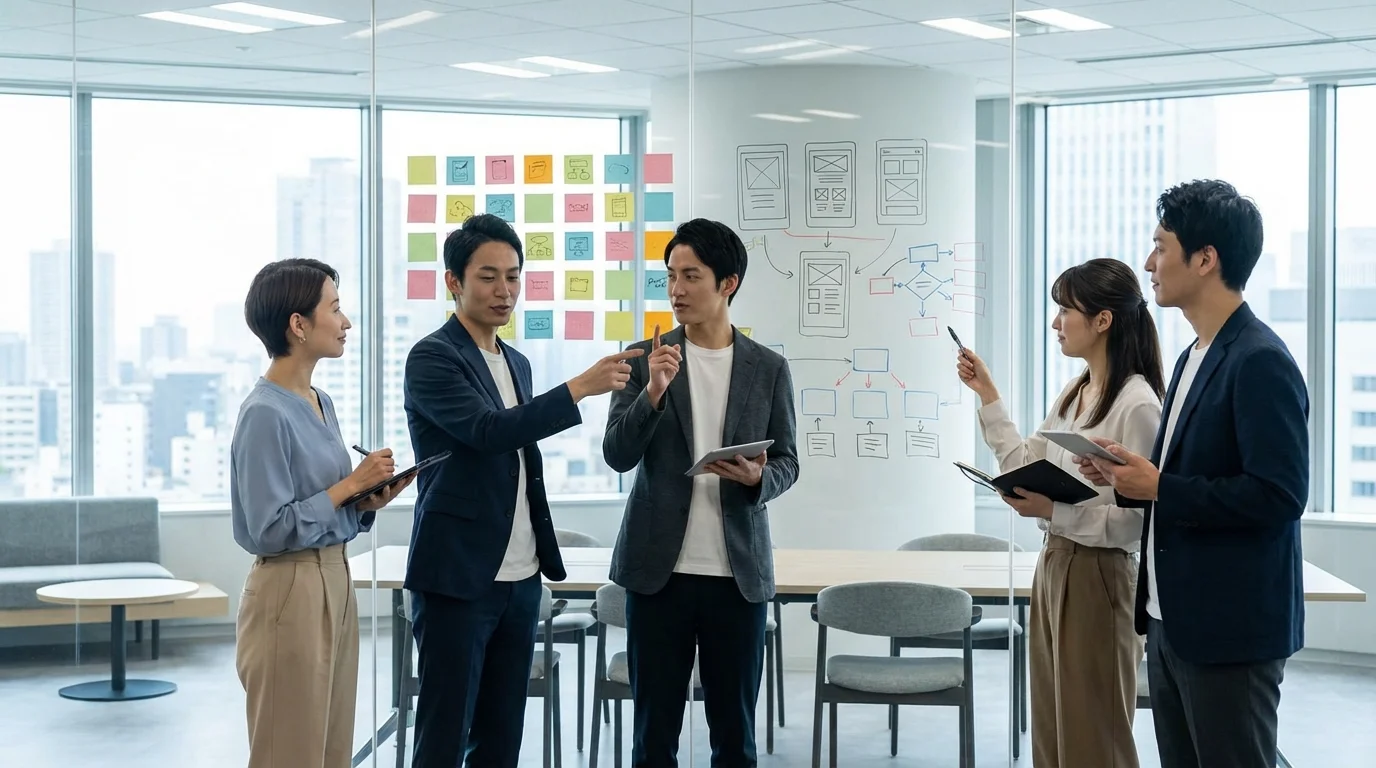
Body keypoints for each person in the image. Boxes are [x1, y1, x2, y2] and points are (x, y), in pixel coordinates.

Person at [1076, 180, 1309, 768]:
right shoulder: (1192, 355)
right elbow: (1183, 477)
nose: (1149, 264)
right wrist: (1123, 478)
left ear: (1205, 259)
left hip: (1229, 632)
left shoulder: (1260, 360)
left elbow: (1279, 496)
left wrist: (1159, 487)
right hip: (1170, 620)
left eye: (1161, 247)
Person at [403, 213, 644, 768]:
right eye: (488, 276)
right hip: (458, 577)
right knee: (443, 735)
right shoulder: (433, 356)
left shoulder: (517, 361)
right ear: (454, 282)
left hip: (519, 577)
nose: (504, 291)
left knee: (502, 735)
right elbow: (488, 432)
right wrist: (580, 388)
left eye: (513, 277)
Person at [602, 218, 800, 767]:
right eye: (670, 276)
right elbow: (617, 454)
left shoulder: (768, 368)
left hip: (736, 576)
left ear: (727, 283)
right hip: (657, 573)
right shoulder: (644, 357)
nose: (676, 290)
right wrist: (653, 394)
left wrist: (760, 478)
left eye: (691, 276)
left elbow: (789, 462)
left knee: (734, 737)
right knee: (653, 736)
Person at [957, 257, 1164, 767]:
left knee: (1096, 734)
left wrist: (1056, 510)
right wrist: (988, 395)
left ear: (1102, 320)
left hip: (1101, 574)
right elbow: (1025, 461)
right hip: (1053, 564)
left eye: (1064, 310)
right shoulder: (1077, 390)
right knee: (1051, 726)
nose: (1055, 323)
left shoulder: (1137, 404)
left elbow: (1138, 522)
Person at [231, 258, 412, 768]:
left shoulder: (320, 400)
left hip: (336, 576)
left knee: (333, 750)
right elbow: (268, 529)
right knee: (287, 752)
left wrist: (365, 501)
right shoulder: (264, 412)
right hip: (288, 589)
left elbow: (326, 505)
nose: (346, 321)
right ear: (298, 325)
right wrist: (350, 484)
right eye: (335, 308)